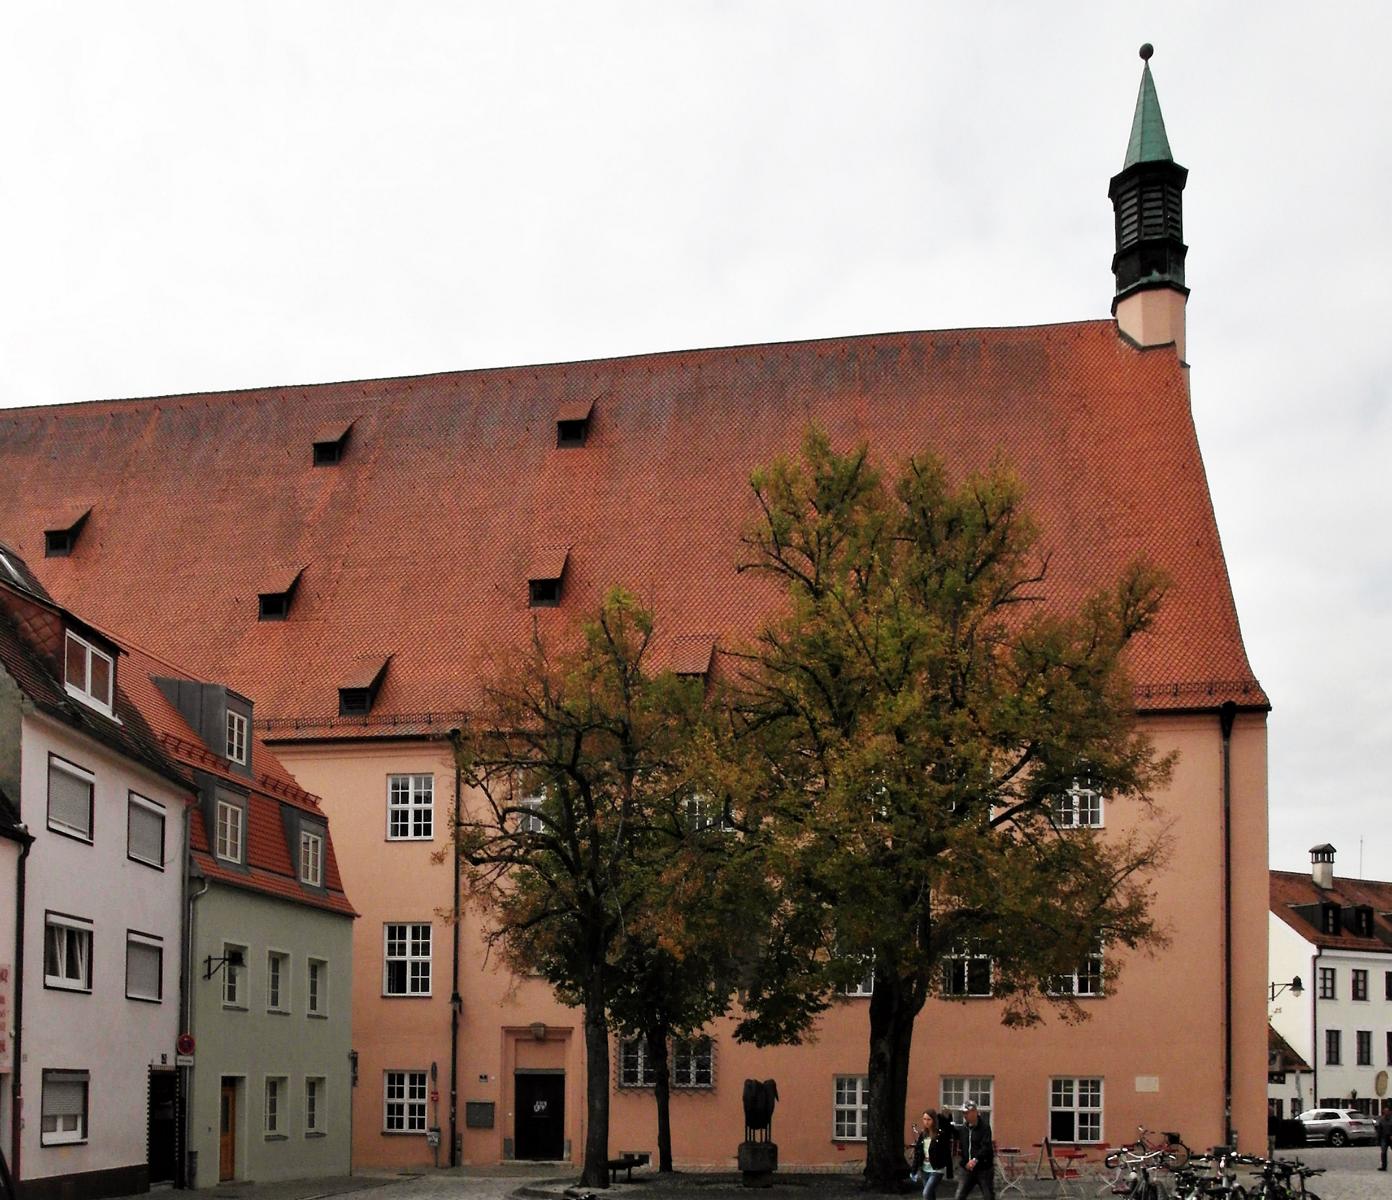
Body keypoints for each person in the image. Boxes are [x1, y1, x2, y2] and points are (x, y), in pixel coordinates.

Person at [953, 1100, 995, 1200]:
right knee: (959, 1196)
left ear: (975, 1112)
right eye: (963, 1113)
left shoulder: (985, 1127)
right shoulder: (964, 1129)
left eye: (966, 1113)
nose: (964, 1115)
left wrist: (975, 1160)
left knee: (988, 1196)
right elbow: (962, 1146)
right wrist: (964, 1162)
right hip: (967, 1169)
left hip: (983, 1169)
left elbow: (986, 1147)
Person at [910, 1109, 953, 1200]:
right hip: (924, 1169)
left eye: (929, 1119)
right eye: (924, 1119)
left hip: (936, 1169)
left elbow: (947, 1153)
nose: (926, 1122)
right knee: (930, 1195)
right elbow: (918, 1153)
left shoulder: (940, 1135)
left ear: (934, 1120)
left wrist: (949, 1172)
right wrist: (913, 1170)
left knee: (926, 1193)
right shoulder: (922, 1135)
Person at [1377, 1101, 1392, 1170]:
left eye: (1387, 1111)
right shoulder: (1382, 1120)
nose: (1385, 1113)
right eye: (1384, 1111)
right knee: (1383, 1152)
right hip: (1384, 1137)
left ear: (1390, 1112)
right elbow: (1379, 1130)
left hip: (1391, 1137)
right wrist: (1378, 1139)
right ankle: (1384, 1166)